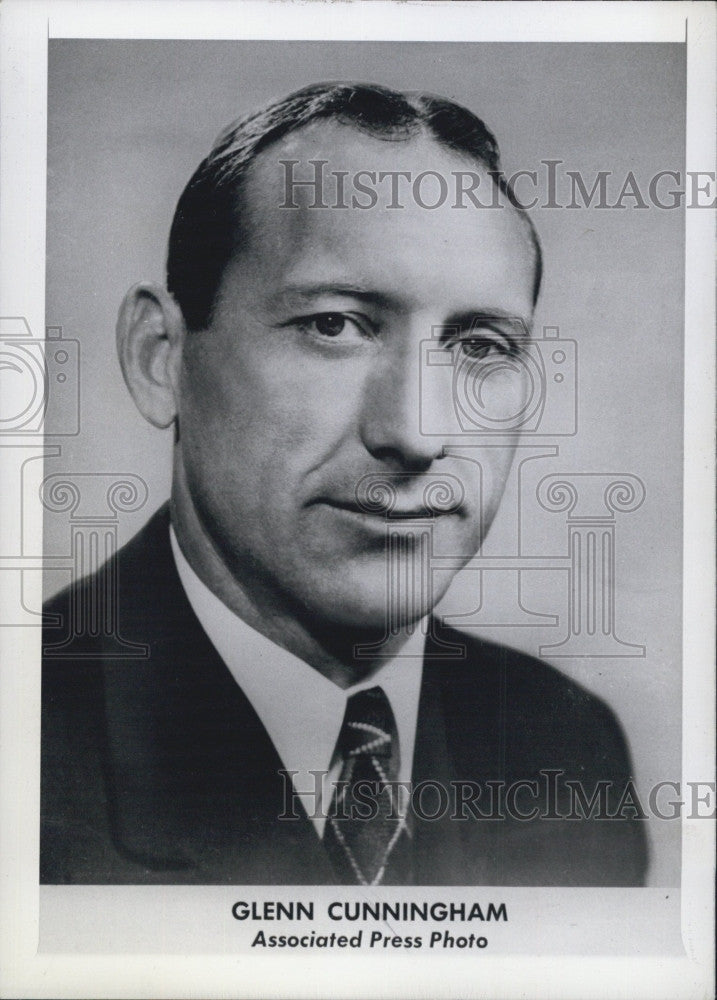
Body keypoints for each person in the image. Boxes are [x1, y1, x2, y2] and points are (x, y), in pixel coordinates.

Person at [41, 82, 648, 886]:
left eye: (478, 346)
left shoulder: (564, 748)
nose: (415, 434)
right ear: (163, 358)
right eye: (334, 326)